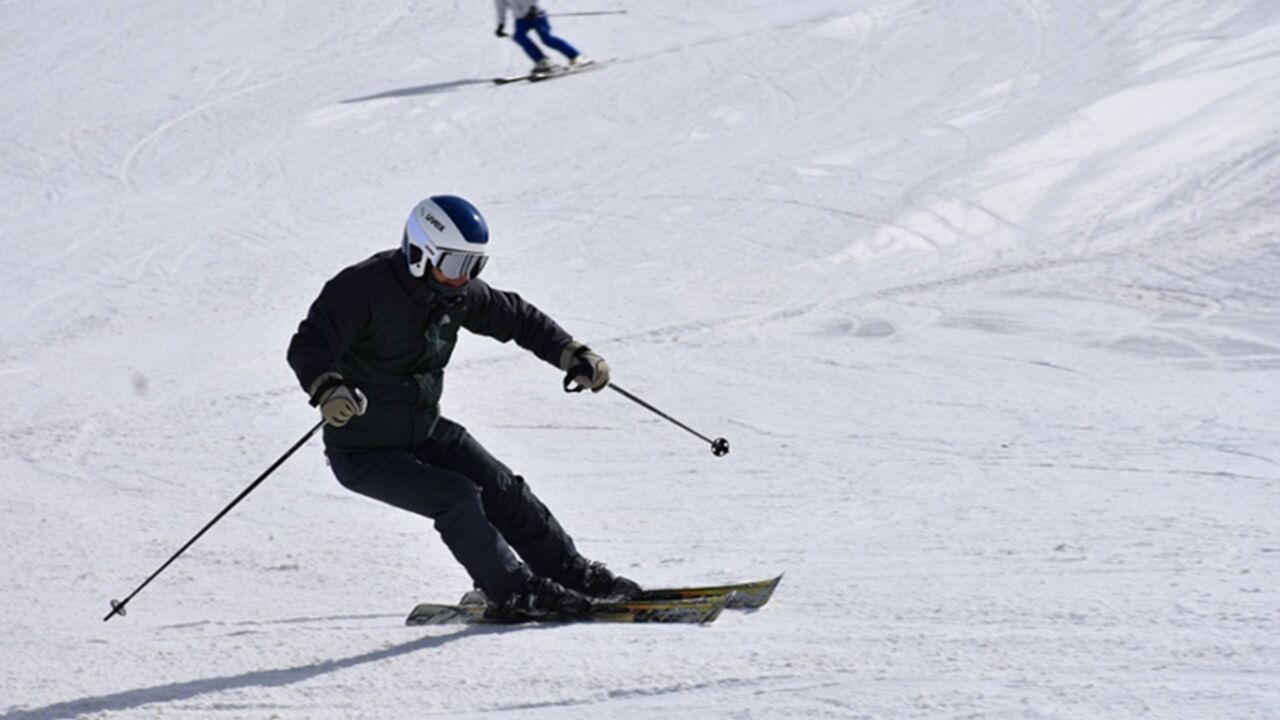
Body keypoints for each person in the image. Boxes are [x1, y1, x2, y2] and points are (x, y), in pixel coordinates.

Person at [287, 195, 640, 617]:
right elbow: (310, 343)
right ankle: (511, 590)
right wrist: (328, 388)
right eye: (455, 265)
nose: (463, 278)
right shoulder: (362, 288)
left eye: (473, 266)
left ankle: (570, 573)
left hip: (423, 429)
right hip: (364, 450)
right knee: (456, 497)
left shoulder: (454, 294)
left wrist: (570, 352)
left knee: (502, 487)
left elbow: (518, 318)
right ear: (419, 252)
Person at [493, 0, 589, 74]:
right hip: (521, 19)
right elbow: (500, 9)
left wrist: (532, 8)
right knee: (519, 37)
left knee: (547, 39)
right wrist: (501, 24)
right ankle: (543, 61)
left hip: (537, 15)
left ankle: (576, 57)